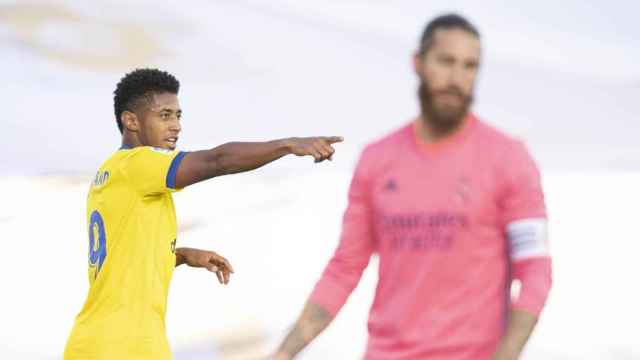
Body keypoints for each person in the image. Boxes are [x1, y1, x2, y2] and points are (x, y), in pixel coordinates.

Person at [274, 13, 552, 360]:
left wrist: (506, 354)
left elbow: (536, 274)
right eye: (446, 62)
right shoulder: (377, 159)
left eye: (470, 66)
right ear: (418, 63)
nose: (457, 78)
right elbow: (344, 268)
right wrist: (283, 353)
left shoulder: (509, 158)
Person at [63, 68, 343, 360]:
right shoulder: (138, 164)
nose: (176, 126)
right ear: (131, 120)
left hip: (105, 341)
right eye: (164, 115)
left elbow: (123, 259)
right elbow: (217, 160)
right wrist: (287, 145)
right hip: (122, 347)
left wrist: (182, 255)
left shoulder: (115, 172)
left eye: (178, 116)